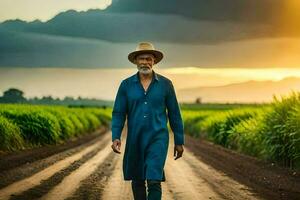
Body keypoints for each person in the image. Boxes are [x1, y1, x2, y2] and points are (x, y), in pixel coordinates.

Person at [111, 42, 184, 200]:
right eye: (142, 59)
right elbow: (118, 112)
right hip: (135, 138)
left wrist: (179, 140)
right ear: (136, 61)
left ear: (154, 61)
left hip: (158, 138)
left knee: (154, 179)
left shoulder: (166, 84)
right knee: (137, 179)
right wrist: (116, 136)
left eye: (149, 59)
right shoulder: (126, 85)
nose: (145, 62)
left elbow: (174, 113)